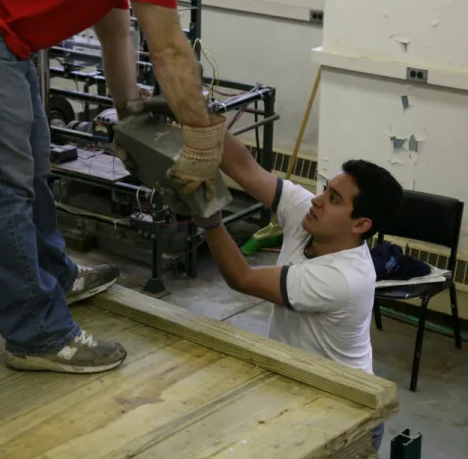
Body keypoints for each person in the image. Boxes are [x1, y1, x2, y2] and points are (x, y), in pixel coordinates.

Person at [0, 0, 224, 374]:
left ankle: (54, 276)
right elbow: (169, 49)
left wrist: (127, 112)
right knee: (2, 188)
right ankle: (36, 333)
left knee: (32, 165)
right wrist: (199, 139)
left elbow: (114, 22)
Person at [173, 132, 403, 451]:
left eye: (334, 199)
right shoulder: (311, 217)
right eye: (326, 190)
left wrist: (209, 219)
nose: (318, 200)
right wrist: (198, 120)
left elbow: (242, 278)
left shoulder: (344, 277)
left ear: (361, 225)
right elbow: (246, 168)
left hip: (345, 413)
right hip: (300, 390)